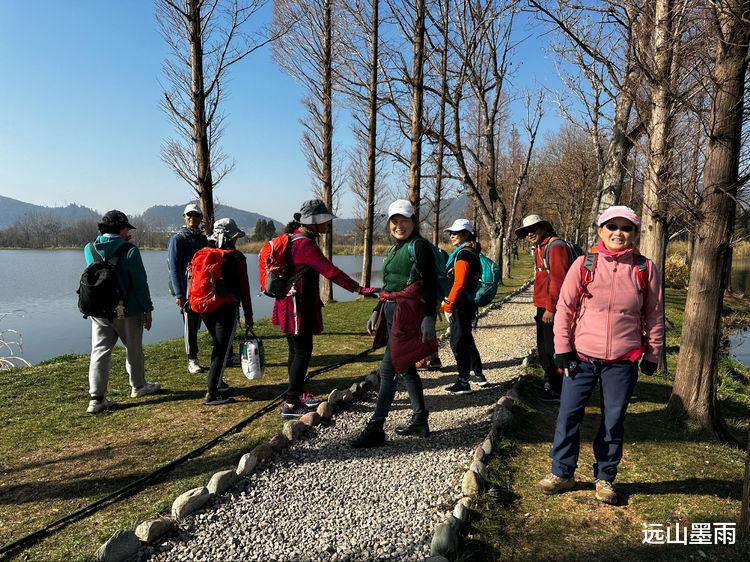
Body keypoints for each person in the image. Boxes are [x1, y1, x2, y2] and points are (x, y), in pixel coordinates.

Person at [537, 205, 664, 505]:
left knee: (612, 420)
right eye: (612, 227)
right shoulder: (584, 264)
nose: (619, 233)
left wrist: (653, 354)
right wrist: (562, 350)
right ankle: (562, 472)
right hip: (581, 357)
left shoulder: (645, 269)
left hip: (623, 359)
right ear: (600, 231)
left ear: (634, 233)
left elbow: (655, 314)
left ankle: (605, 477)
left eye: (626, 228)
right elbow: (565, 310)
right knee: (568, 415)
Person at [273, 199, 377, 418]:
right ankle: (291, 403)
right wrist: (358, 288)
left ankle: (297, 394)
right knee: (302, 351)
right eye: (325, 220)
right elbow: (330, 271)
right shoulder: (305, 245)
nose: (329, 224)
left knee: (295, 350)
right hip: (297, 307)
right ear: (314, 222)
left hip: (288, 302)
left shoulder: (295, 239)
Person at [351, 199, 437, 448]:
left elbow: (430, 283)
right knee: (407, 365)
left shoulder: (418, 246)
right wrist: (377, 309)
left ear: (413, 221)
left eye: (404, 220)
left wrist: (429, 317)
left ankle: (376, 427)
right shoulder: (394, 249)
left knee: (388, 369)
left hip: (408, 315)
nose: (399, 225)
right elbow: (389, 286)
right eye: (394, 221)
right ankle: (420, 418)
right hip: (391, 311)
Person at [84, 210, 160, 413]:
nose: (128, 231)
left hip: (99, 310)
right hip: (129, 310)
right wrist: (148, 309)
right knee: (133, 349)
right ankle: (138, 386)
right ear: (121, 229)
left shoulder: (89, 248)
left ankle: (96, 399)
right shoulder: (130, 251)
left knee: (99, 351)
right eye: (126, 228)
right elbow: (140, 284)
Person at [515, 215, 573, 402]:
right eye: (526, 231)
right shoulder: (541, 247)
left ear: (543, 228)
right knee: (544, 347)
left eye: (534, 229)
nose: (530, 234)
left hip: (552, 308)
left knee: (553, 347)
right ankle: (551, 383)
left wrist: (551, 308)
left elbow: (558, 279)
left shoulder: (555, 248)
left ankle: (559, 388)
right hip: (543, 305)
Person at [196, 218, 254, 406]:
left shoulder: (203, 253)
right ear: (231, 238)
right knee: (222, 349)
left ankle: (218, 383)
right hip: (226, 309)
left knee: (218, 346)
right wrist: (249, 315)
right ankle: (212, 393)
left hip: (204, 307)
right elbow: (245, 290)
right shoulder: (236, 258)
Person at [442, 219, 486, 393]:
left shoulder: (463, 255)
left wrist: (448, 305)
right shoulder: (472, 251)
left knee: (457, 342)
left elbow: (459, 283)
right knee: (466, 338)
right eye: (451, 233)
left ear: (466, 234)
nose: (452, 236)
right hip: (468, 303)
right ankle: (479, 375)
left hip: (460, 305)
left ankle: (463, 381)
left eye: (456, 232)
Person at [167, 203, 208, 374]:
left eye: (196, 215)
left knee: (204, 323)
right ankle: (192, 359)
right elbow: (173, 268)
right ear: (184, 217)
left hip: (203, 289)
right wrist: (178, 293)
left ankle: (225, 355)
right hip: (187, 290)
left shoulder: (202, 239)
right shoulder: (178, 239)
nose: (192, 218)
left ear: (200, 218)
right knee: (190, 326)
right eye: (189, 215)